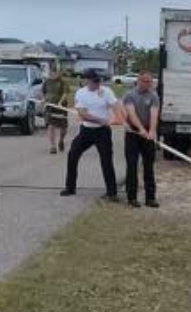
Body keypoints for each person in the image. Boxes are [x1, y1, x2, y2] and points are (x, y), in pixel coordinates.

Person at [60, 68, 120, 201]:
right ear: (87, 81)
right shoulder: (81, 93)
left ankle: (112, 193)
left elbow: (116, 106)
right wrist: (101, 120)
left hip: (102, 132)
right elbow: (83, 115)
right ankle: (70, 188)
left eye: (98, 81)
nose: (97, 84)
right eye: (94, 81)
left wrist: (117, 118)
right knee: (73, 154)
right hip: (86, 131)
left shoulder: (106, 92)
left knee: (106, 161)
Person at [121, 70, 161, 208]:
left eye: (150, 81)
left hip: (147, 133)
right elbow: (131, 115)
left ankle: (150, 198)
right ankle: (132, 197)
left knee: (149, 166)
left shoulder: (154, 95)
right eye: (145, 81)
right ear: (138, 80)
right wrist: (141, 130)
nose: (147, 83)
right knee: (132, 165)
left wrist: (152, 131)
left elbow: (154, 115)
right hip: (133, 132)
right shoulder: (129, 95)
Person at [42, 67, 70, 154]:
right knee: (51, 126)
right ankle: (52, 146)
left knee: (63, 127)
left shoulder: (63, 82)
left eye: (54, 73)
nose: (52, 75)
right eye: (51, 73)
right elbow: (44, 92)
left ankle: (61, 140)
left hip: (61, 107)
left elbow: (65, 93)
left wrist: (60, 102)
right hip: (50, 106)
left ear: (58, 73)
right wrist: (44, 99)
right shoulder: (47, 82)